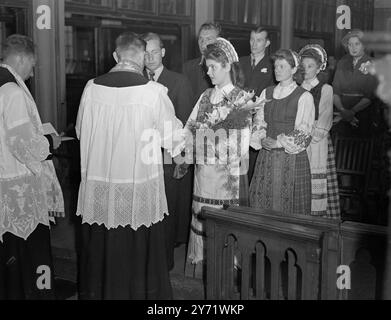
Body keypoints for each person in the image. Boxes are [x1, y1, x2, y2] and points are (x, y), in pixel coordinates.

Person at [75, 32, 183, 299]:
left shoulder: (91, 88)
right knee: (138, 255)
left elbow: (79, 131)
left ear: (115, 56)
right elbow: (174, 140)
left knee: (101, 248)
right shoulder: (153, 92)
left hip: (101, 188)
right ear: (143, 57)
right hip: (137, 191)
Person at [175, 37, 256, 272]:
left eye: (213, 67)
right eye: (207, 67)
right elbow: (189, 128)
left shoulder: (241, 99)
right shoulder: (205, 97)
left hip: (227, 175)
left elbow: (240, 145)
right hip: (203, 173)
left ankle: (228, 263)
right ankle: (201, 257)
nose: (208, 72)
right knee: (202, 214)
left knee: (223, 218)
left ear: (228, 66)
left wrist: (203, 143)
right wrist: (179, 143)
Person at [0, 34, 64, 299]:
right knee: (35, 260)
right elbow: (24, 145)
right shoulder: (12, 91)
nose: (32, 72)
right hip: (20, 190)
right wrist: (51, 141)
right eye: (33, 65)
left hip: (4, 184)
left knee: (9, 263)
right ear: (22, 58)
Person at [143, 32, 194, 270]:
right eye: (145, 52)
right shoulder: (137, 81)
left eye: (154, 51)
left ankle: (165, 263)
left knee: (168, 210)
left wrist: (180, 160)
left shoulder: (179, 81)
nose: (150, 57)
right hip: (142, 159)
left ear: (163, 52)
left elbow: (184, 125)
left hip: (167, 158)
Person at [249, 49, 315, 215]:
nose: (277, 70)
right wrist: (262, 138)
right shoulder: (267, 92)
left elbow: (304, 132)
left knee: (290, 211)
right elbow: (259, 121)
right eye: (276, 66)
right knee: (263, 204)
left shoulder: (304, 96)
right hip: (267, 157)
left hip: (292, 157)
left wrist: (278, 142)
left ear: (294, 70)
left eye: (282, 66)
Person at [299, 44, 341, 219]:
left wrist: (311, 136)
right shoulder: (297, 88)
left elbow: (325, 118)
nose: (306, 70)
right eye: (303, 66)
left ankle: (319, 216)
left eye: (310, 66)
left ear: (318, 68)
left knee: (318, 178)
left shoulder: (325, 89)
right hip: (299, 140)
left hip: (317, 141)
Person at [239, 26, 275, 183]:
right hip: (239, 119)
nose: (254, 44)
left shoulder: (273, 65)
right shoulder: (240, 62)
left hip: (259, 122)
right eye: (252, 39)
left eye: (259, 40)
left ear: (267, 43)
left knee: (254, 165)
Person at [332, 29, 378, 137]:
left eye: (357, 44)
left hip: (363, 114)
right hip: (342, 112)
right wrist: (343, 111)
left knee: (360, 147)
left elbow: (369, 96)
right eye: (350, 44)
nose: (353, 48)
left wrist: (351, 112)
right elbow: (335, 91)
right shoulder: (343, 62)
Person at [182, 22, 221, 104]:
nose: (203, 43)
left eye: (208, 39)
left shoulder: (225, 69)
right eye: (201, 39)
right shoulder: (187, 67)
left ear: (219, 43)